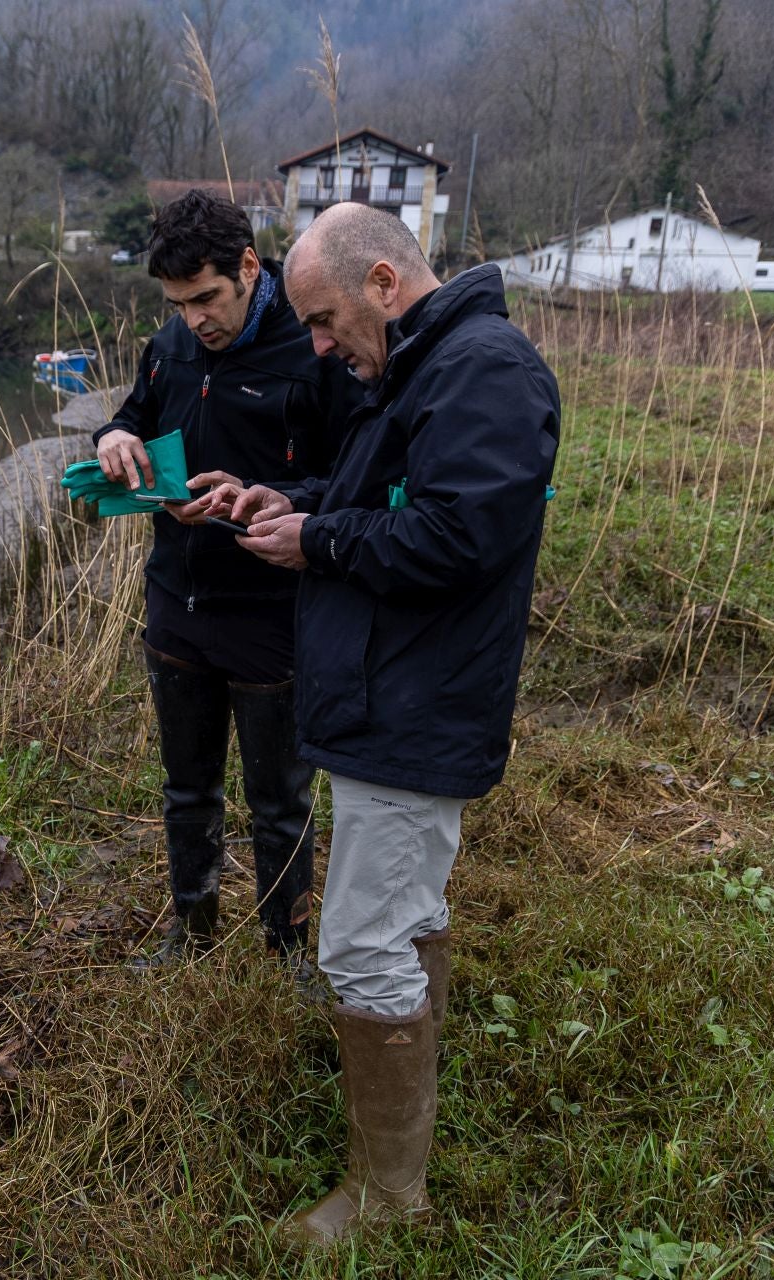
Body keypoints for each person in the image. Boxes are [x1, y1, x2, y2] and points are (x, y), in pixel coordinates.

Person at [209, 202, 560, 1242]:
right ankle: (405, 1112)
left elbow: (456, 534)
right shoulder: (423, 366)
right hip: (392, 694)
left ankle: (389, 1198)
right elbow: (387, 494)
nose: (316, 345)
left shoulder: (484, 370)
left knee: (360, 942)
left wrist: (316, 540)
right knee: (403, 913)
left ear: (383, 285)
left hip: (415, 703)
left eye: (320, 321)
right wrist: (281, 498)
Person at [92, 190, 361, 969]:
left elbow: (348, 476)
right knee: (187, 791)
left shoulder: (311, 349)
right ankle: (192, 933)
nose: (194, 320)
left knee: (279, 804)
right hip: (177, 603)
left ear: (250, 268)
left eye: (207, 298)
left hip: (271, 614)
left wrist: (262, 502)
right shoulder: (170, 346)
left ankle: (285, 953)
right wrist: (115, 437)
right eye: (178, 304)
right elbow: (133, 413)